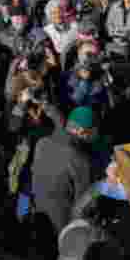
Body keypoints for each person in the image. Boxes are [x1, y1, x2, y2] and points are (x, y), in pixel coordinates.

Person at [31, 106, 102, 249]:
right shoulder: (80, 161)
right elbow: (84, 206)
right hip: (62, 232)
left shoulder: (41, 143)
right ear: (83, 132)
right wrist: (102, 185)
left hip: (38, 220)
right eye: (95, 131)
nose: (97, 135)